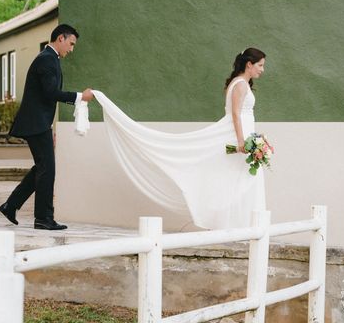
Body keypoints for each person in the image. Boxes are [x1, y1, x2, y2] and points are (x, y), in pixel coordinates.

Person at [89, 48, 267, 229]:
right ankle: (237, 226)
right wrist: (240, 141)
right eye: (260, 65)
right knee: (238, 181)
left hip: (244, 136)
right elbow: (236, 114)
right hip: (239, 137)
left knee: (237, 181)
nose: (262, 69)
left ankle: (238, 225)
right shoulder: (240, 85)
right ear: (249, 64)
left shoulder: (240, 83)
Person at [0, 24, 94, 230]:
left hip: (39, 123)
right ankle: (43, 218)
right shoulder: (46, 60)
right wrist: (80, 97)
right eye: (71, 44)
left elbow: (44, 97)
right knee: (47, 170)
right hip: (35, 123)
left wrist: (49, 127)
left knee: (43, 168)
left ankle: (11, 205)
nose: (71, 49)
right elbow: (51, 93)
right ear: (61, 38)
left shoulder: (50, 59)